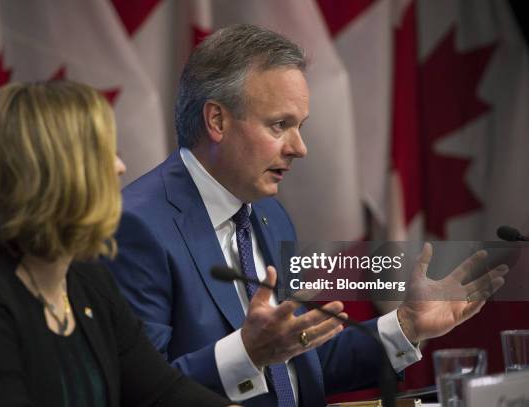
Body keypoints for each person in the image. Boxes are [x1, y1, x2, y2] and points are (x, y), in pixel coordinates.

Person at [105, 24, 508, 406]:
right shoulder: (139, 226)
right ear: (217, 120)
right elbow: (138, 393)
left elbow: (301, 363)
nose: (299, 148)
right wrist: (246, 353)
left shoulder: (269, 215)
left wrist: (406, 325)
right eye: (280, 125)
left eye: (300, 126)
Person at [0, 81, 235, 406]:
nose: (120, 167)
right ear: (51, 172)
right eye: (103, 153)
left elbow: (163, 393)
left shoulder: (86, 279)